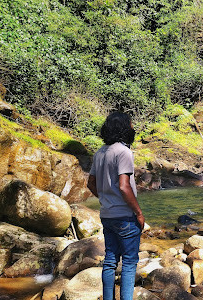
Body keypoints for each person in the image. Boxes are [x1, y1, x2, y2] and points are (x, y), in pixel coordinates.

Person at [87, 112, 144, 300]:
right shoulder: (123, 152)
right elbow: (124, 186)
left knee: (110, 260)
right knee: (129, 263)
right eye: (131, 124)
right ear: (124, 128)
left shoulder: (100, 152)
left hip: (107, 215)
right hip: (125, 216)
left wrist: (105, 198)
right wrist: (138, 212)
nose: (133, 128)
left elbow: (91, 184)